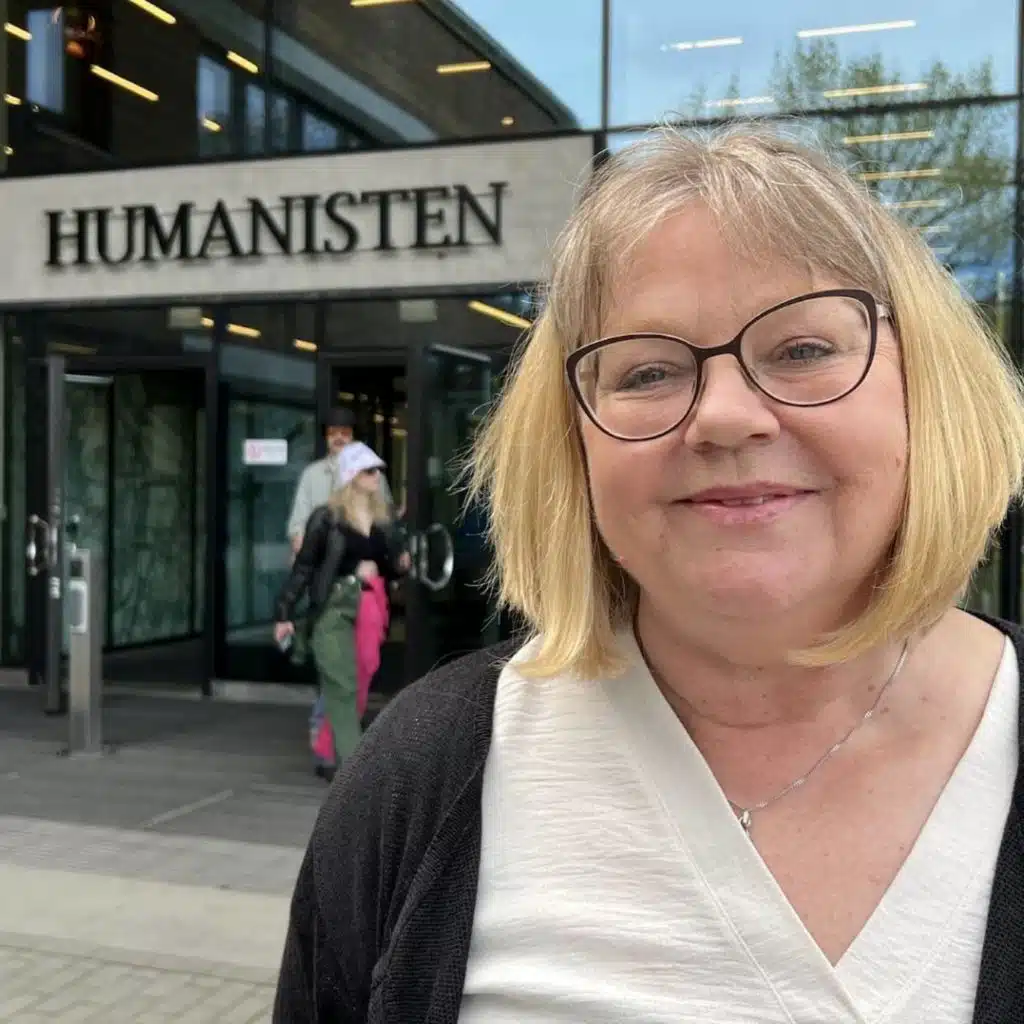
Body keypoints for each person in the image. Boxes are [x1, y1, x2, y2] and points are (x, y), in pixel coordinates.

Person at [273, 124, 1024, 1023]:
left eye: (802, 350)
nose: (726, 417)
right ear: (572, 444)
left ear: (926, 389)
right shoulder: (424, 774)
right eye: (648, 371)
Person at [274, 442, 407, 779]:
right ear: (352, 476)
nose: (377, 476)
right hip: (334, 606)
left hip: (371, 605)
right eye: (369, 471)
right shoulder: (327, 517)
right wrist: (284, 612)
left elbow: (392, 567)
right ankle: (353, 770)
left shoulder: (382, 518)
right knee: (343, 682)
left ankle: (326, 749)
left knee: (361, 675)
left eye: (377, 470)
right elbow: (304, 568)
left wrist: (397, 564)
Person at [287, 408, 393, 556]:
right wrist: (299, 540)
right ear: (326, 437)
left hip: (362, 555)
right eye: (332, 433)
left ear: (354, 437)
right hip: (320, 556)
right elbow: (298, 524)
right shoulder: (311, 474)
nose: (338, 437)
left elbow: (385, 520)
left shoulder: (373, 474)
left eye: (345, 433)